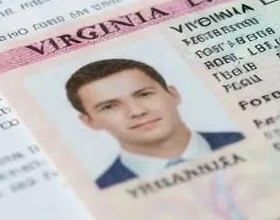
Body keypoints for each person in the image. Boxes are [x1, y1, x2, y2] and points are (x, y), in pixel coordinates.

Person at [65, 57, 244, 189]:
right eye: (110, 106)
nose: (137, 111)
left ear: (173, 95)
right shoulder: (103, 191)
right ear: (90, 122)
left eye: (144, 94)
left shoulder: (248, 139)